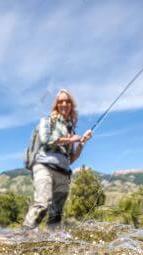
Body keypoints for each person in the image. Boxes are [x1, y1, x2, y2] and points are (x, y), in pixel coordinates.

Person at [22, 89, 92, 229]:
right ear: (56, 105)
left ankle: (53, 243)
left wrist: (81, 143)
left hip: (63, 173)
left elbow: (71, 159)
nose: (64, 104)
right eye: (61, 101)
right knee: (42, 204)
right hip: (43, 167)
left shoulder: (70, 130)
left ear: (71, 105)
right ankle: (22, 235)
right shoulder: (47, 121)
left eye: (67, 101)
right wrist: (71, 139)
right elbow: (46, 139)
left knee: (57, 213)